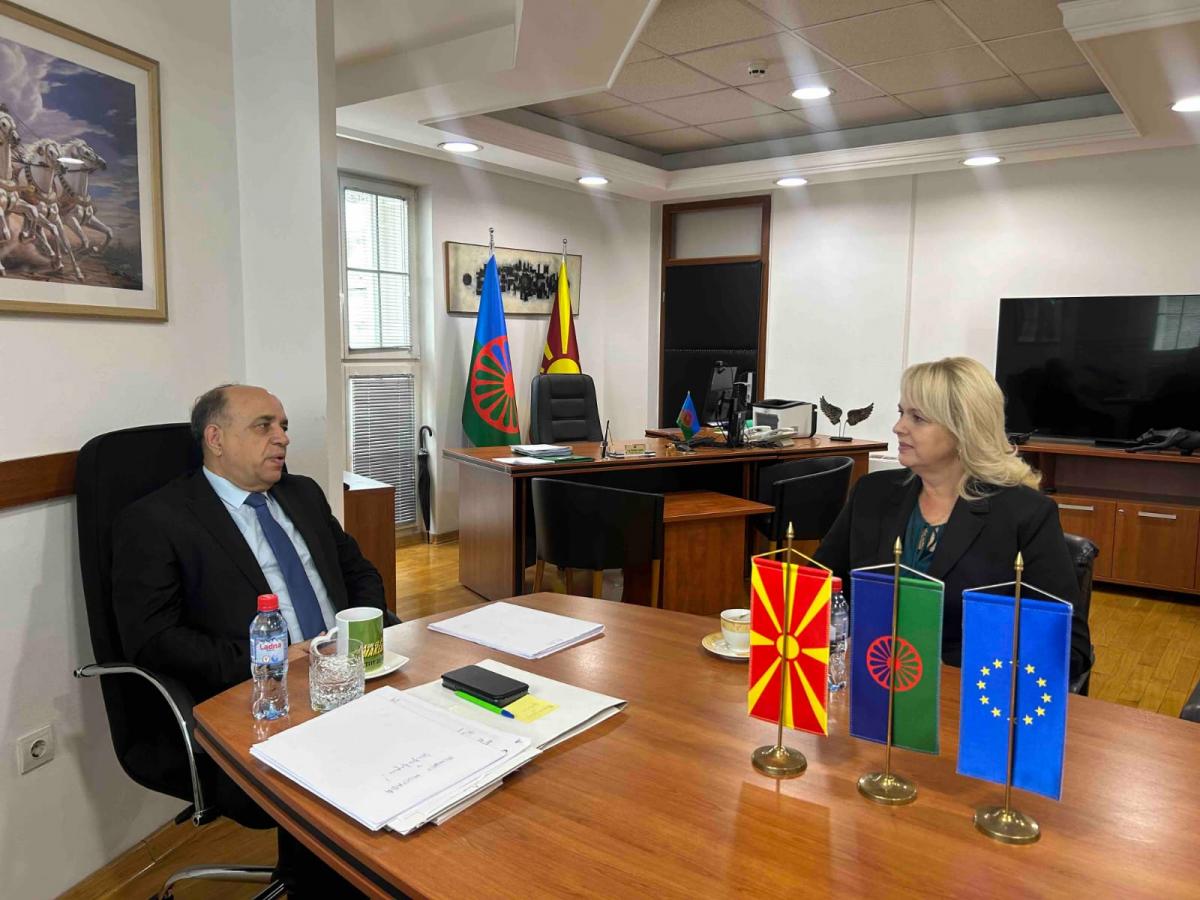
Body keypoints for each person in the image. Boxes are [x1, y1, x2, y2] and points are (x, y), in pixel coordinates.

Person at [112, 383, 390, 897]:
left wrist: (360, 631)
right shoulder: (157, 520)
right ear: (215, 439)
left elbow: (360, 572)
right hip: (258, 696)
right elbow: (154, 640)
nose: (282, 437)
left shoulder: (302, 494)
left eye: (283, 426)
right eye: (264, 426)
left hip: (347, 669)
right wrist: (272, 659)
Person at [815, 357, 1092, 681]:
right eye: (901, 412)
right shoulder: (872, 493)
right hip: (866, 683)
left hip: (966, 695)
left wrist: (958, 671)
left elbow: (1070, 649)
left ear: (963, 429)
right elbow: (817, 591)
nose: (898, 427)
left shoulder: (1025, 514)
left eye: (918, 418)